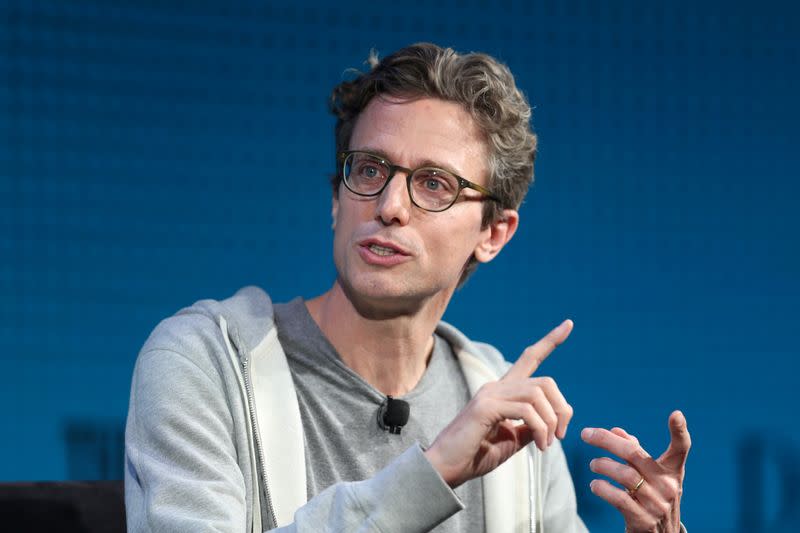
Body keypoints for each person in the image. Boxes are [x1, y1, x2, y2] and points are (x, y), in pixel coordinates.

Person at [124, 43, 690, 532]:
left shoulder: (507, 408)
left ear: (493, 233)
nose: (390, 207)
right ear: (336, 198)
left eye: (434, 184)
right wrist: (434, 471)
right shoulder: (207, 364)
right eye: (369, 170)